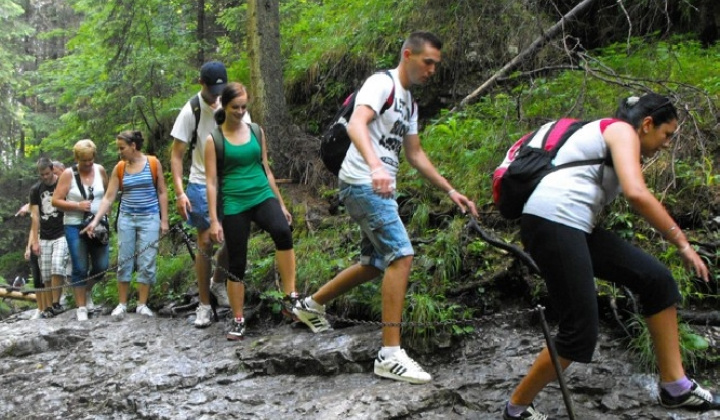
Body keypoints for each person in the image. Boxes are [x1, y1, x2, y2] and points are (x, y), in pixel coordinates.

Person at [501, 93, 720, 420]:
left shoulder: (611, 137)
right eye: (667, 134)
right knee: (579, 332)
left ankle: (676, 387)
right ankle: (515, 409)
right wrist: (682, 243)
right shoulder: (621, 131)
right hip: (553, 222)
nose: (667, 144)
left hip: (570, 225)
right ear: (647, 124)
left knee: (656, 281)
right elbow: (636, 193)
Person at [292, 31, 478, 384]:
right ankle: (389, 355)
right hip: (363, 181)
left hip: (379, 186)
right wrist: (376, 165)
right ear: (408, 55)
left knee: (374, 262)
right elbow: (357, 123)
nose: (432, 70)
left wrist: (450, 190)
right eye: (428, 62)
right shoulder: (382, 83)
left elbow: (415, 154)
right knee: (401, 256)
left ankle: (311, 305)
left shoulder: (410, 103)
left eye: (436, 65)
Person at [205, 82, 300, 340]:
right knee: (237, 260)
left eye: (244, 107)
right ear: (225, 106)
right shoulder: (214, 140)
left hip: (261, 194)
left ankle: (290, 297)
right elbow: (212, 182)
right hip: (235, 201)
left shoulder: (257, 131)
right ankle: (237, 319)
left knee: (283, 231)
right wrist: (214, 220)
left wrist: (280, 203)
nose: (240, 111)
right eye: (235, 107)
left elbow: (266, 168)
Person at [170, 61, 249, 327]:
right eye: (213, 89)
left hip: (230, 181)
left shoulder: (233, 105)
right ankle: (203, 305)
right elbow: (177, 155)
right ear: (201, 83)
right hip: (201, 181)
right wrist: (180, 193)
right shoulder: (191, 110)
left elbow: (248, 138)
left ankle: (217, 283)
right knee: (205, 241)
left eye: (221, 88)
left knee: (232, 237)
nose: (217, 95)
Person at [81, 130, 169, 319]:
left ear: (133, 146)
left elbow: (162, 191)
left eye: (122, 148)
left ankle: (142, 304)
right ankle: (122, 304)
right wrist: (95, 221)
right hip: (127, 218)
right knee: (125, 260)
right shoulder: (119, 168)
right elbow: (109, 197)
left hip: (150, 217)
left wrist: (164, 220)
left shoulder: (153, 163)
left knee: (147, 260)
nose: (119, 152)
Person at [52, 140, 109, 322]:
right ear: (77, 158)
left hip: (98, 225)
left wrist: (103, 216)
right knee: (80, 267)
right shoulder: (68, 175)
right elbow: (56, 201)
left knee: (101, 266)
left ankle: (86, 289)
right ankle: (81, 307)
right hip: (74, 225)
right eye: (84, 160)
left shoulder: (100, 170)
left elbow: (108, 194)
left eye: (90, 159)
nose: (88, 163)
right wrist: (77, 205)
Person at [28, 158, 69, 319]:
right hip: (44, 235)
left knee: (57, 265)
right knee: (45, 273)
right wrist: (35, 241)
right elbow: (36, 216)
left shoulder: (63, 183)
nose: (45, 177)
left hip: (62, 231)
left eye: (47, 173)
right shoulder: (35, 190)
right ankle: (50, 306)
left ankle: (56, 303)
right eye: (41, 175)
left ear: (52, 169)